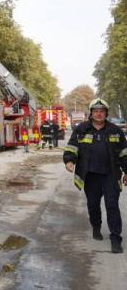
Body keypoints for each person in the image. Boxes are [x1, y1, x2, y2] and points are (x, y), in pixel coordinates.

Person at [64, 98, 127, 253]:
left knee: (112, 206)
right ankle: (96, 227)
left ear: (106, 113)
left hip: (111, 175)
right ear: (91, 113)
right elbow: (72, 147)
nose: (99, 114)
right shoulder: (82, 129)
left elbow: (124, 153)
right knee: (93, 205)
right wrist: (69, 161)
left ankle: (115, 239)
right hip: (91, 175)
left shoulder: (115, 130)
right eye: (96, 111)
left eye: (102, 111)